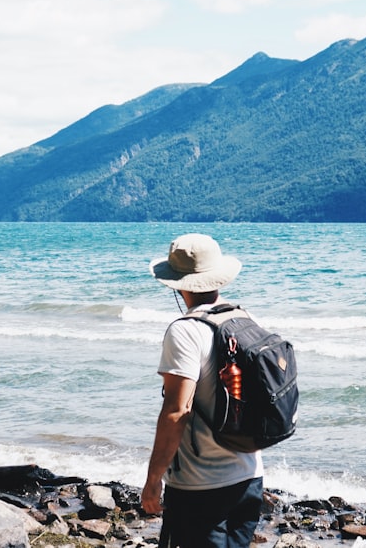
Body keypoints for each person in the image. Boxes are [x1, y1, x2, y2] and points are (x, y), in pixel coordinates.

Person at [142, 233, 263, 548]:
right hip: (249, 476)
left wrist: (153, 481)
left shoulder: (184, 331)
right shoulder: (243, 318)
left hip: (200, 486)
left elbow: (176, 411)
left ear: (178, 284)